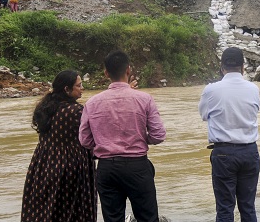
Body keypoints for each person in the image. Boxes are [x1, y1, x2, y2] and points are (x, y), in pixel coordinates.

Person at [79, 50, 166, 222]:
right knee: (148, 217)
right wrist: (141, 137)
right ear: (128, 70)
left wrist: (103, 141)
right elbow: (158, 135)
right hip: (137, 167)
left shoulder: (92, 103)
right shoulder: (144, 99)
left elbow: (85, 140)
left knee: (112, 218)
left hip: (107, 168)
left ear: (106, 73)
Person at [21, 70, 97, 222]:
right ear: (67, 89)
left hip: (43, 165)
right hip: (71, 166)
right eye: (79, 85)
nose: (82, 88)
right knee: (73, 210)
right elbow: (95, 136)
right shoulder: (76, 111)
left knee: (46, 208)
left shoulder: (44, 108)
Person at [199, 47, 260, 222]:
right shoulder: (253, 88)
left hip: (224, 153)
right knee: (248, 207)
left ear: (221, 67)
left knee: (225, 208)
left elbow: (204, 115)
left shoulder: (211, 90)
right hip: (250, 151)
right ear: (243, 67)